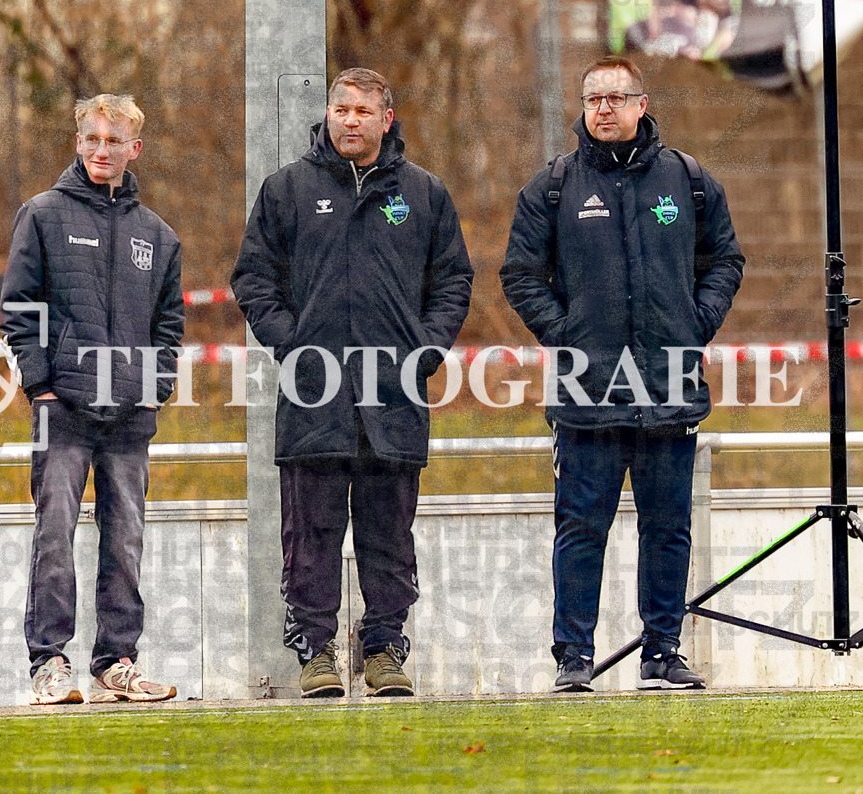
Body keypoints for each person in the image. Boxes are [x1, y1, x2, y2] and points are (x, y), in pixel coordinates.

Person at [501, 56, 744, 692]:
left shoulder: (688, 180)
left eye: (615, 97)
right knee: (581, 529)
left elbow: (725, 259)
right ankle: (573, 658)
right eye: (592, 99)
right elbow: (520, 275)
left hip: (669, 387)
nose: (603, 109)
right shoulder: (551, 188)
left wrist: (697, 324)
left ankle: (662, 652)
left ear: (641, 103)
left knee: (668, 529)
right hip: (587, 391)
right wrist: (564, 335)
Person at [231, 68, 473, 697]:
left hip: (393, 398)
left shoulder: (424, 194)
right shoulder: (285, 190)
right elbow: (254, 278)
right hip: (314, 397)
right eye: (341, 108)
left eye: (363, 110)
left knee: (388, 532)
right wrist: (292, 345)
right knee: (310, 533)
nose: (350, 119)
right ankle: (315, 653)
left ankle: (385, 650)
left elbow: (452, 282)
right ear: (329, 114)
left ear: (385, 119)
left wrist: (423, 354)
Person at [0, 93, 184, 704]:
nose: (102, 151)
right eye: (92, 139)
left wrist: (154, 390)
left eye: (115, 141)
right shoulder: (42, 214)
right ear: (78, 143)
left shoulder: (157, 234)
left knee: (125, 537)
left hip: (130, 415)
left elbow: (169, 325)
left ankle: (117, 662)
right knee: (54, 533)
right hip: (65, 409)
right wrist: (40, 385)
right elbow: (19, 307)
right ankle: (48, 664)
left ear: (135, 149)